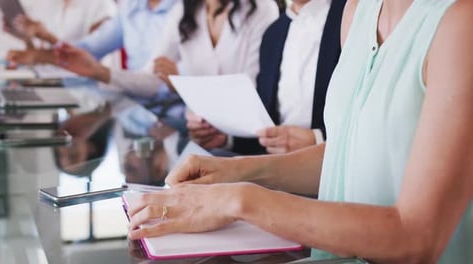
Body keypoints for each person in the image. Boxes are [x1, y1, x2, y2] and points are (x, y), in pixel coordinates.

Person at [125, 0, 473, 263]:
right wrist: (234, 172)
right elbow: (349, 151)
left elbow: (417, 236)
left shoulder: (461, 21)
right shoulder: (358, 10)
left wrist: (238, 199)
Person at [187, 0, 346, 155]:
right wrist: (226, 138)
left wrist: (318, 139)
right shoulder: (273, 34)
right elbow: (267, 124)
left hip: (330, 162)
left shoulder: (350, 15)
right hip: (277, 164)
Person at [54, 0, 280, 99]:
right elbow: (151, 78)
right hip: (194, 132)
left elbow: (248, 90)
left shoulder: (261, 9)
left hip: (239, 141)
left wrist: (182, 81)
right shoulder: (184, 10)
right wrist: (98, 71)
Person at [6, 0, 177, 71]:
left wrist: (46, 43)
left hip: (168, 107)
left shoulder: (183, 9)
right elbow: (88, 49)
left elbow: (90, 59)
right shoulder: (131, 7)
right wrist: (34, 49)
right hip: (134, 101)